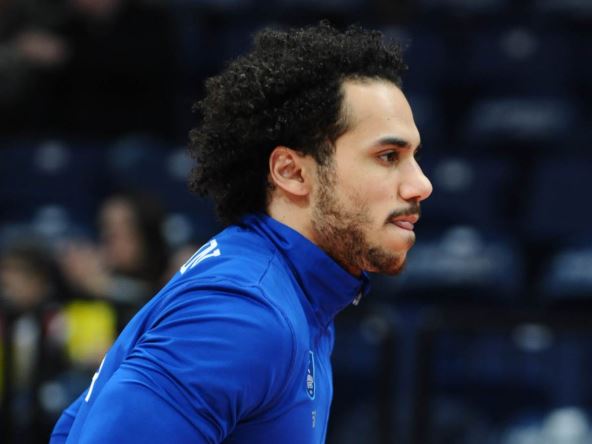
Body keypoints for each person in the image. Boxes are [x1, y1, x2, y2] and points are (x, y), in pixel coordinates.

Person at [50, 22, 432, 443]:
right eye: (388, 156)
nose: (421, 184)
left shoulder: (286, 288)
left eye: (414, 157)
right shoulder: (244, 312)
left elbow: (72, 426)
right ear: (292, 172)